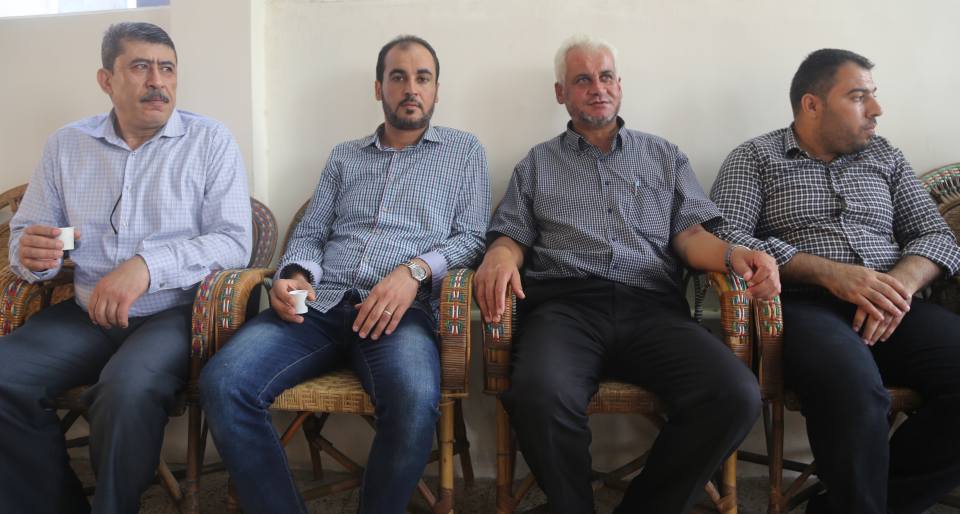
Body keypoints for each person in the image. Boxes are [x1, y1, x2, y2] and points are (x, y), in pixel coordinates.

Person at [475, 35, 779, 514]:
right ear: (561, 93)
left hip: (653, 309)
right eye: (583, 80)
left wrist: (734, 254)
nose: (598, 88)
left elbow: (691, 236)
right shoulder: (537, 164)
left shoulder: (664, 156)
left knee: (735, 394)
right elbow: (513, 235)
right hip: (566, 310)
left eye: (606, 76)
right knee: (538, 394)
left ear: (619, 84)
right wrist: (499, 254)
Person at [200, 35, 490, 514]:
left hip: (399, 312)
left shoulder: (464, 152)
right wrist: (293, 274)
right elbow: (311, 231)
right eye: (398, 77)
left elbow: (473, 238)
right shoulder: (344, 156)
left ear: (437, 90)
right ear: (379, 88)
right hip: (320, 304)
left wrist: (414, 272)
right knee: (223, 383)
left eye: (422, 78)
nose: (411, 88)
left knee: (415, 400)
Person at [0, 22, 251, 514]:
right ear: (106, 80)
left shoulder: (210, 141)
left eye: (167, 69)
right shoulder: (66, 145)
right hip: (85, 312)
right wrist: (30, 256)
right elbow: (26, 234)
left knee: (125, 391)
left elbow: (234, 241)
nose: (157, 81)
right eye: (140, 67)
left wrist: (147, 266)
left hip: (171, 315)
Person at [711, 48, 960, 514]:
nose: (877, 109)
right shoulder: (756, 157)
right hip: (803, 307)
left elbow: (935, 235)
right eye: (859, 97)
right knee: (854, 393)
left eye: (873, 95)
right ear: (812, 104)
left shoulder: (886, 157)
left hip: (894, 304)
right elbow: (726, 235)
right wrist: (830, 273)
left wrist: (896, 286)